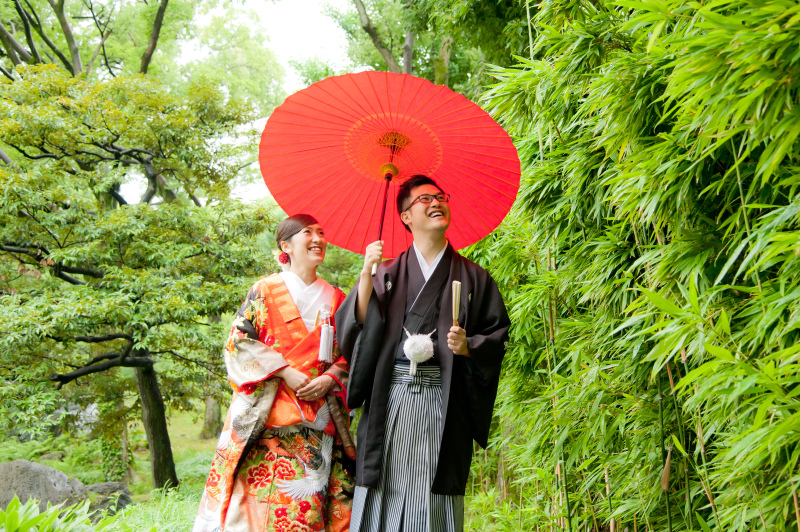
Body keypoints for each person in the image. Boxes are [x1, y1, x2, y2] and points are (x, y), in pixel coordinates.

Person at [335, 175, 511, 532]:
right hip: (391, 396)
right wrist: (365, 276)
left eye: (441, 197)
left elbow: (497, 336)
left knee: (433, 494)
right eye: (425, 199)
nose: (436, 203)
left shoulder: (475, 278)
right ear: (405, 216)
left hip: (444, 404)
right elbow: (356, 331)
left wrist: (469, 347)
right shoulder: (384, 274)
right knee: (384, 487)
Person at [195, 214, 354, 532]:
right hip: (264, 420)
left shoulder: (338, 298)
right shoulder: (265, 289)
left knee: (305, 514)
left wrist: (330, 378)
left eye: (321, 233)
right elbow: (238, 342)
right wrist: (283, 372)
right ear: (286, 246)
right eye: (307, 232)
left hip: (315, 424)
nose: (318, 239)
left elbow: (352, 353)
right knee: (253, 509)